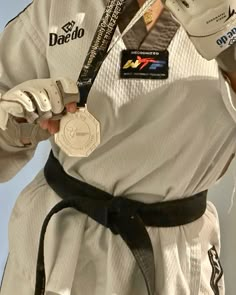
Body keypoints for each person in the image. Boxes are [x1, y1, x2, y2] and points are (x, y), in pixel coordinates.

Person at [0, 0, 236, 294]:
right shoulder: (57, 7)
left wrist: (229, 45)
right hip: (61, 242)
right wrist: (10, 127)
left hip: (172, 259)